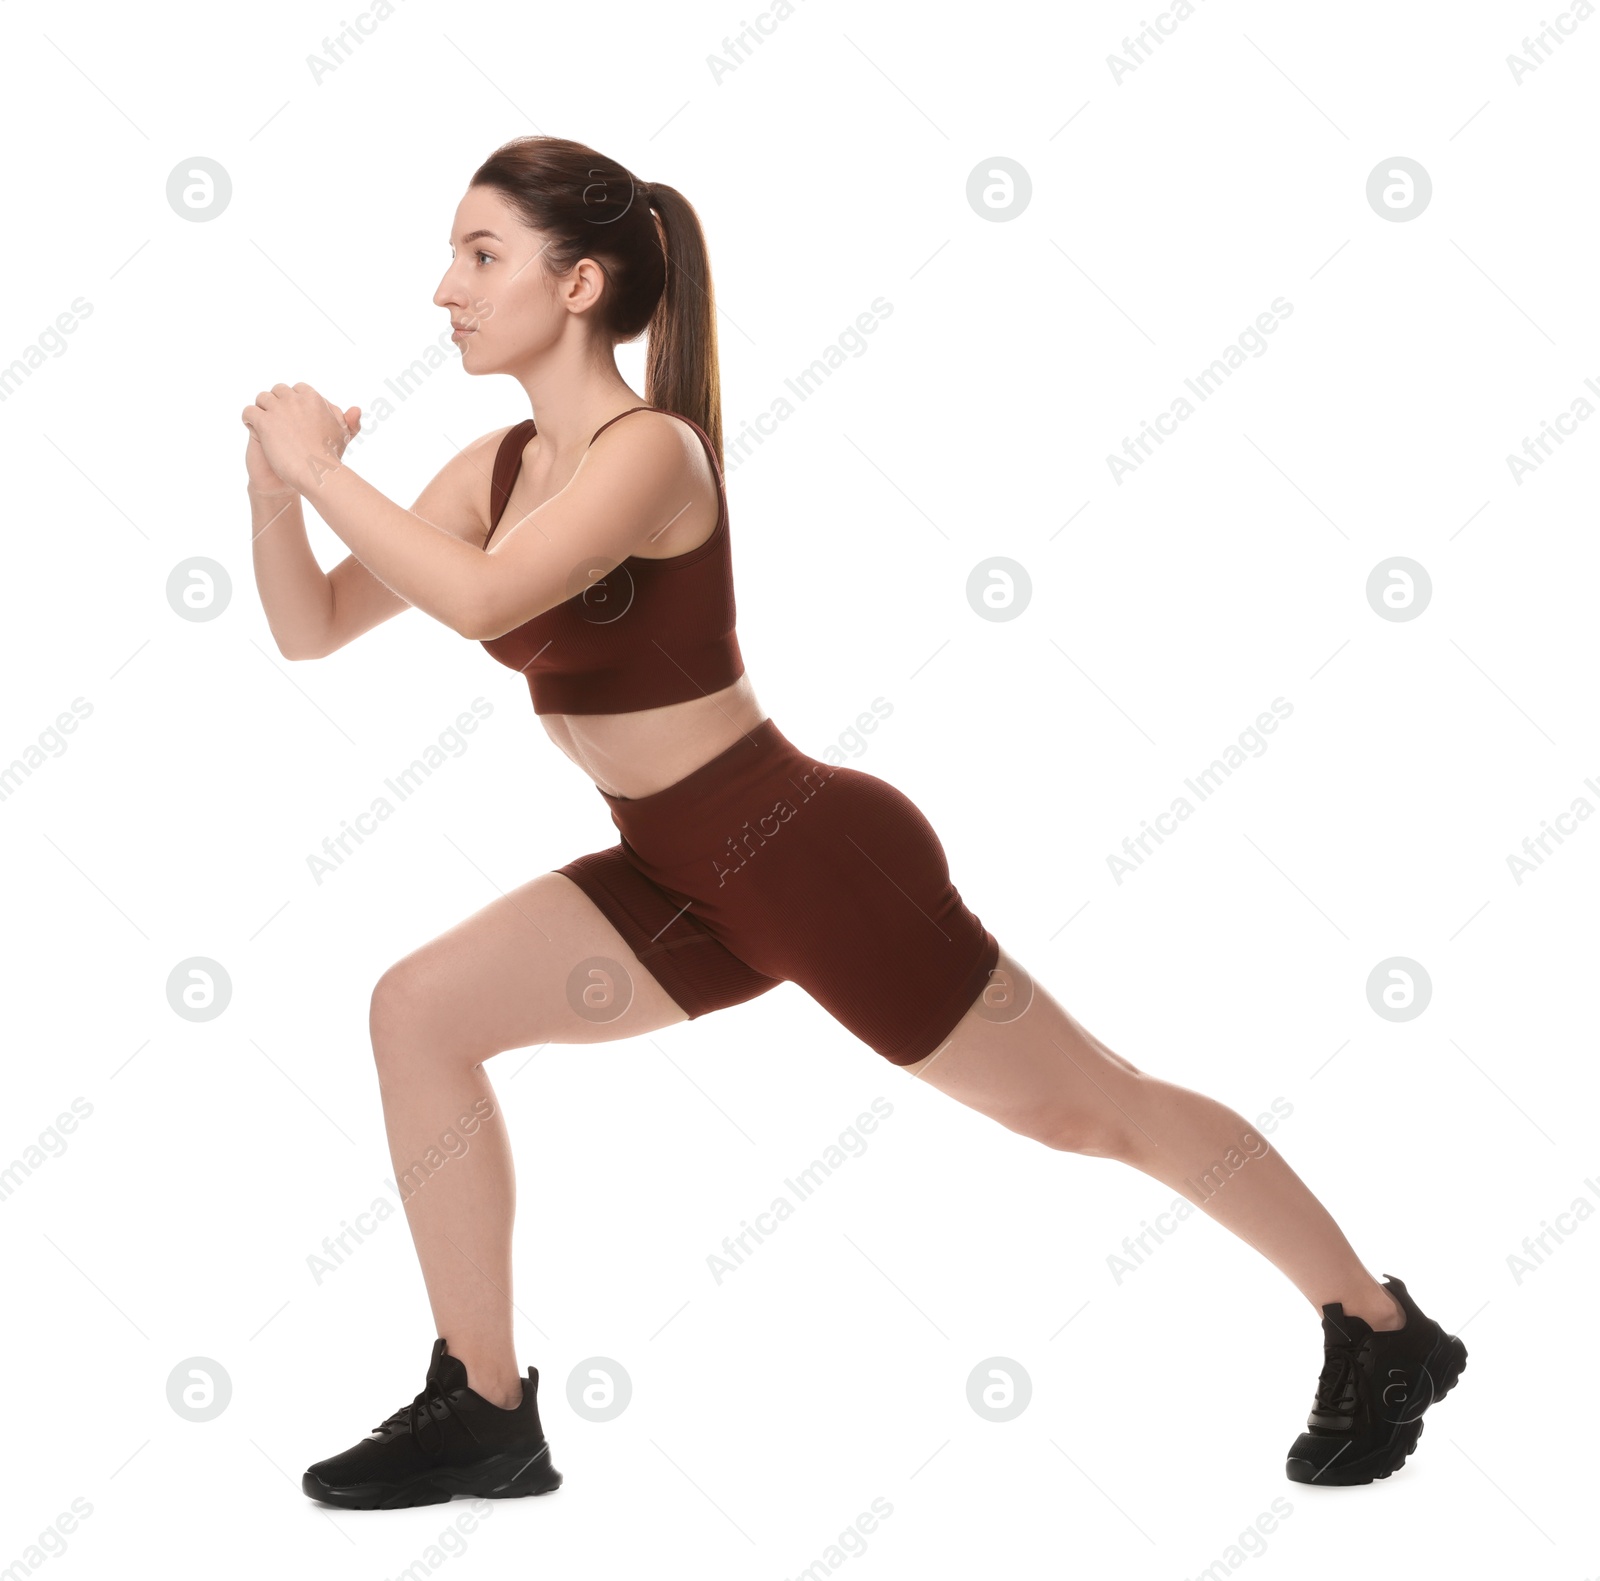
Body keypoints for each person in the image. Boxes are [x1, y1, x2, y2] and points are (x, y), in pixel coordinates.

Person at [242, 136, 1467, 1509]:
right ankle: (484, 1405)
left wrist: (322, 467)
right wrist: (274, 486)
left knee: (1091, 1110)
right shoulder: (497, 464)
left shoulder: (653, 455)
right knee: (419, 1009)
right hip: (673, 869)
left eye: (480, 255)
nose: (445, 290)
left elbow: (478, 602)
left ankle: (1380, 1325)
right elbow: (315, 626)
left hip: (807, 856)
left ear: (579, 283)